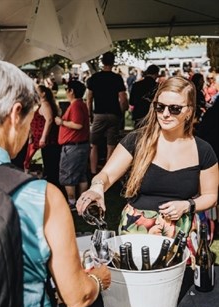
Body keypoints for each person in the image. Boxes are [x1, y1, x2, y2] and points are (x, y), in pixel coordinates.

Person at [0, 60, 110, 307]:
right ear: (15, 114)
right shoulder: (40, 195)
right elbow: (76, 296)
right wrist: (97, 279)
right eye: (33, 119)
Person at [77, 76, 218, 246]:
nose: (165, 114)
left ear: (189, 111)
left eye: (174, 109)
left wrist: (188, 205)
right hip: (136, 229)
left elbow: (210, 196)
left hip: (181, 233)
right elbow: (106, 174)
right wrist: (97, 188)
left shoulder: (202, 150)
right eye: (160, 107)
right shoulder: (137, 141)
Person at [86, 51, 129, 175]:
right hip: (113, 114)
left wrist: (90, 115)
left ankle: (93, 171)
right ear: (113, 62)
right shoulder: (117, 78)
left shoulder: (93, 78)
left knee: (94, 144)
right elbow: (123, 99)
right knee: (111, 145)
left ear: (102, 62)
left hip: (99, 114)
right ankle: (107, 173)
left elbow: (89, 99)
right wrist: (121, 112)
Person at [55, 80, 91, 209]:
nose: (65, 92)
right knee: (81, 175)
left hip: (73, 147)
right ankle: (82, 202)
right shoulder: (80, 104)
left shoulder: (76, 105)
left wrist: (61, 122)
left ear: (71, 91)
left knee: (68, 175)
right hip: (80, 145)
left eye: (67, 89)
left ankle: (72, 203)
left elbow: (78, 125)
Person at [36, 85, 62, 191]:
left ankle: (52, 187)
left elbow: (49, 120)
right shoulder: (46, 104)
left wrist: (43, 137)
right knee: (50, 163)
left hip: (50, 140)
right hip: (51, 140)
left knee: (50, 164)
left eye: (37, 91)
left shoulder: (45, 104)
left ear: (43, 94)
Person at [129, 64, 160, 129]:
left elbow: (131, 102)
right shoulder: (158, 87)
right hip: (152, 116)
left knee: (138, 137)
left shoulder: (136, 85)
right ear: (156, 74)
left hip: (139, 115)